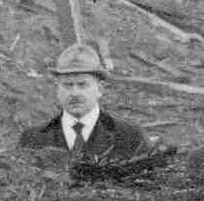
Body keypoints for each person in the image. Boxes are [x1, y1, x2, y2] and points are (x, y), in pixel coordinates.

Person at [17, 43, 155, 164]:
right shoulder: (33, 139)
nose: (75, 93)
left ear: (100, 89)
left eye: (83, 85)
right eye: (67, 85)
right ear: (57, 90)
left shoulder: (130, 136)